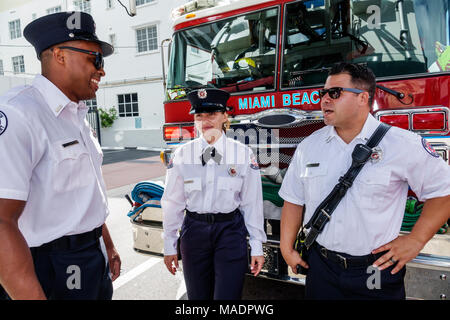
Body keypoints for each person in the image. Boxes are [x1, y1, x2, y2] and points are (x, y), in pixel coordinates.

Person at [279, 62, 450, 299]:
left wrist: (416, 239)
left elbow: (443, 191)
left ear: (363, 98)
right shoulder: (309, 146)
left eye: (335, 93)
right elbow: (293, 200)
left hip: (375, 269)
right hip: (322, 266)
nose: (324, 99)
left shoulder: (402, 144)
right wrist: (286, 248)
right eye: (323, 93)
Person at [0, 12, 121, 300]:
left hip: (91, 258)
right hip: (47, 266)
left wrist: (108, 246)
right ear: (59, 56)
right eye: (95, 58)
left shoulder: (76, 115)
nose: (102, 70)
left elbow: (83, 193)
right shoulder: (18, 113)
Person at [161, 88, 266, 300]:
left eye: (212, 114)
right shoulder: (182, 155)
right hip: (194, 232)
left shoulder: (242, 154)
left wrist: (257, 246)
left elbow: (251, 204)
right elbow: (172, 203)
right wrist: (169, 245)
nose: (205, 121)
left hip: (229, 232)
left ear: (225, 116)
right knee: (198, 297)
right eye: (199, 115)